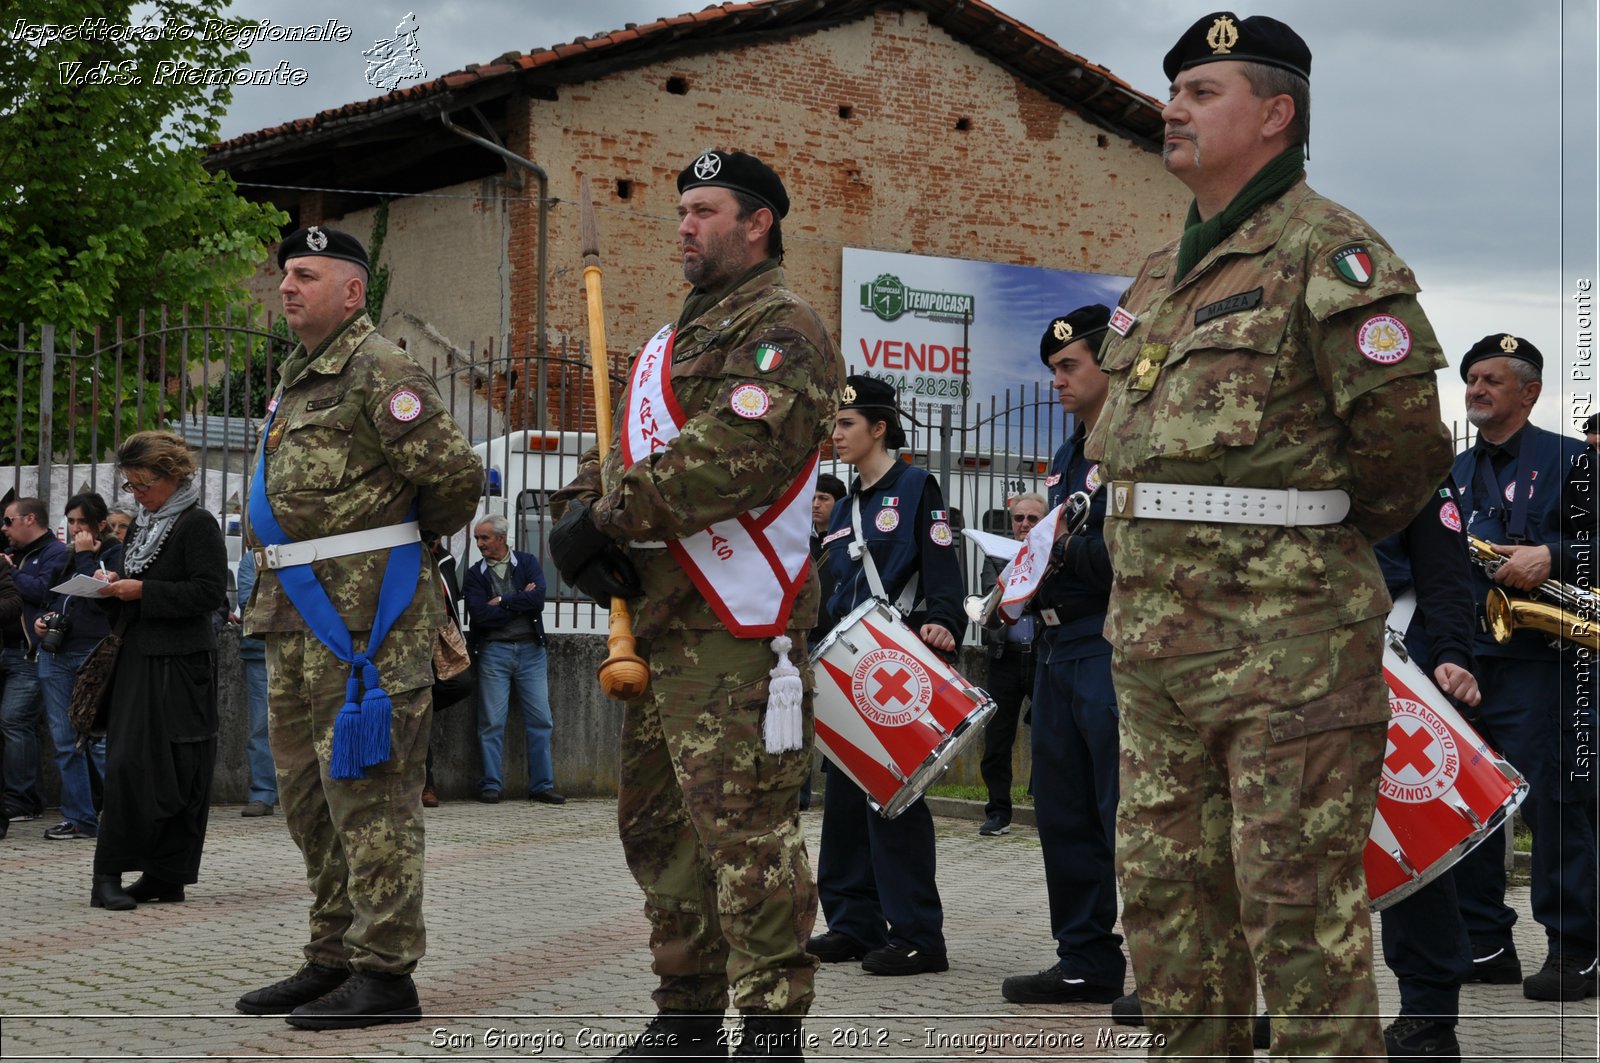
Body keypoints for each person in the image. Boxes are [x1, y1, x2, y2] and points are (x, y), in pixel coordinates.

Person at [1085, 13, 1454, 1057]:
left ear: (1275, 113)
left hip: (1286, 649)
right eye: (1174, 92)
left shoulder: (1328, 251)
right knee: (1167, 915)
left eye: (1201, 93)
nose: (1173, 109)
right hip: (1152, 652)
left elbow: (1403, 449)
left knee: (1297, 920)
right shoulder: (1160, 274)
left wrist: (1298, 552)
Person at [550, 148, 842, 1059]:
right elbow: (626, 456)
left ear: (757, 223)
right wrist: (578, 511)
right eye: (680, 210)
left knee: (743, 831)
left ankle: (768, 1023)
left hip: (735, 627)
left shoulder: (784, 330)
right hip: (666, 622)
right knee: (660, 826)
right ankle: (685, 1009)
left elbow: (731, 459)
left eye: (703, 210)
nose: (683, 225)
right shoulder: (672, 343)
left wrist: (604, 517)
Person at [235, 225, 480, 1030]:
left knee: (371, 798)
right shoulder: (299, 379)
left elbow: (453, 477)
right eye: (284, 274)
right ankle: (332, 952)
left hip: (364, 626)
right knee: (310, 799)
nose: (286, 286)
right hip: (294, 614)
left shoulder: (383, 368)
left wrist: (394, 556)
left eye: (305, 274)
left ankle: (386, 971)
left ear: (351, 289)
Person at [1448, 333, 1598, 1002]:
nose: (1477, 389)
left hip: (1546, 662)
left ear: (1530, 391)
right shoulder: (1448, 472)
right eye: (1472, 379)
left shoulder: (1571, 460)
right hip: (1468, 662)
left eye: (1491, 379)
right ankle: (1485, 944)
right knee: (1467, 807)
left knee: (1557, 806)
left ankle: (1575, 949)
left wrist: (1552, 555)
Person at [808, 374, 965, 980]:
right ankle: (853, 922)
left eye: (846, 425)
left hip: (896, 661)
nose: (836, 436)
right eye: (834, 426)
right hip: (850, 669)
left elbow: (941, 562)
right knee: (845, 802)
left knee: (894, 803)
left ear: (879, 427)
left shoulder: (917, 485)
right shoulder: (844, 506)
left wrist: (945, 620)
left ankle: (920, 935)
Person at [1001, 306, 1126, 1006]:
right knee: (1064, 809)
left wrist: (1062, 550)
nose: (1057, 379)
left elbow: (1126, 551)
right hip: (1054, 646)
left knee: (1123, 812)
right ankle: (1084, 956)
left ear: (1109, 363)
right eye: (1052, 369)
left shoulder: (1132, 444)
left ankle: (1168, 967)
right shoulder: (1068, 455)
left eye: (1069, 365)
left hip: (1107, 643)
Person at [89, 431, 228, 911]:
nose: (137, 494)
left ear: (172, 476)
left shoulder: (198, 524)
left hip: (183, 666)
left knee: (181, 770)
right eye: (130, 486)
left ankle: (166, 875)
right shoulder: (145, 524)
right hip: (138, 659)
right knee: (129, 766)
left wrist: (143, 591)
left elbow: (210, 593)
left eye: (143, 484)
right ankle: (106, 873)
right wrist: (111, 588)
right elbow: (143, 583)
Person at [1371, 480, 1482, 1062]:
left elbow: (1444, 575)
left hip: (1389, 657)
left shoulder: (1405, 456)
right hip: (1285, 656)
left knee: (1410, 839)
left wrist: (1451, 657)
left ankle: (1429, 1014)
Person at [36, 492, 122, 841]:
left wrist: (87, 555)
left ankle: (121, 815)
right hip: (56, 654)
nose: (75, 529)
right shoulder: (65, 555)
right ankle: (79, 818)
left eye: (82, 522)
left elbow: (95, 593)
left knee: (99, 739)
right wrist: (44, 620)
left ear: (100, 524)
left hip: (93, 651)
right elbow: (50, 597)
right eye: (70, 522)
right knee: (64, 739)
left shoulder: (113, 553)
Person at [462, 514, 562, 806]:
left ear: (501, 538)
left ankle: (542, 786)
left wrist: (503, 600)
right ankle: (491, 784)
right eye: (477, 538)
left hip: (531, 651)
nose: (480, 544)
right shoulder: (474, 574)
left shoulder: (527, 562)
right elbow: (479, 615)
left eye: (485, 538)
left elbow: (539, 599)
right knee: (491, 721)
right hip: (494, 651)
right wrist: (520, 599)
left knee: (541, 719)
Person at [976, 491, 1046, 838]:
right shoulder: (995, 554)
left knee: (1051, 735)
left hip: (1044, 657)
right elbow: (995, 597)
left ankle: (1046, 807)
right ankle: (998, 813)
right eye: (1019, 519)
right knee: (997, 740)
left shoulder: (1053, 552)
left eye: (1033, 519)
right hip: (1004, 659)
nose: (1025, 525)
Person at [1, 496, 68, 823]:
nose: (4, 528)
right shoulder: (13, 555)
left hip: (31, 653)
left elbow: (47, 593)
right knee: (16, 724)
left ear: (29, 519)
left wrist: (10, 573)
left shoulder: (56, 553)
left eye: (8, 521)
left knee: (14, 720)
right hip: (7, 650)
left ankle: (22, 800)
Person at [233, 548, 277, 817]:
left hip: (302, 648)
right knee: (260, 726)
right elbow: (251, 600)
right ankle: (263, 794)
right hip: (259, 653)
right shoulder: (251, 560)